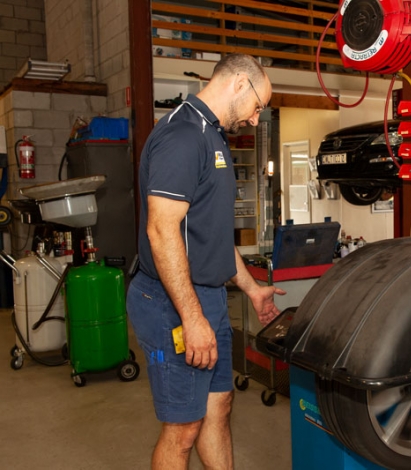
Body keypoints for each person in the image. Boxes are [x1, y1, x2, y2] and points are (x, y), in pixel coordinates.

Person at [127, 53, 285, 470]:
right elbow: (162, 232)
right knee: (183, 430)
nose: (255, 119)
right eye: (257, 107)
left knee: (219, 406)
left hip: (205, 297)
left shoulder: (212, 136)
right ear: (238, 83)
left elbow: (208, 233)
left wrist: (250, 287)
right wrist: (191, 317)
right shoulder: (183, 136)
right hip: (171, 301)